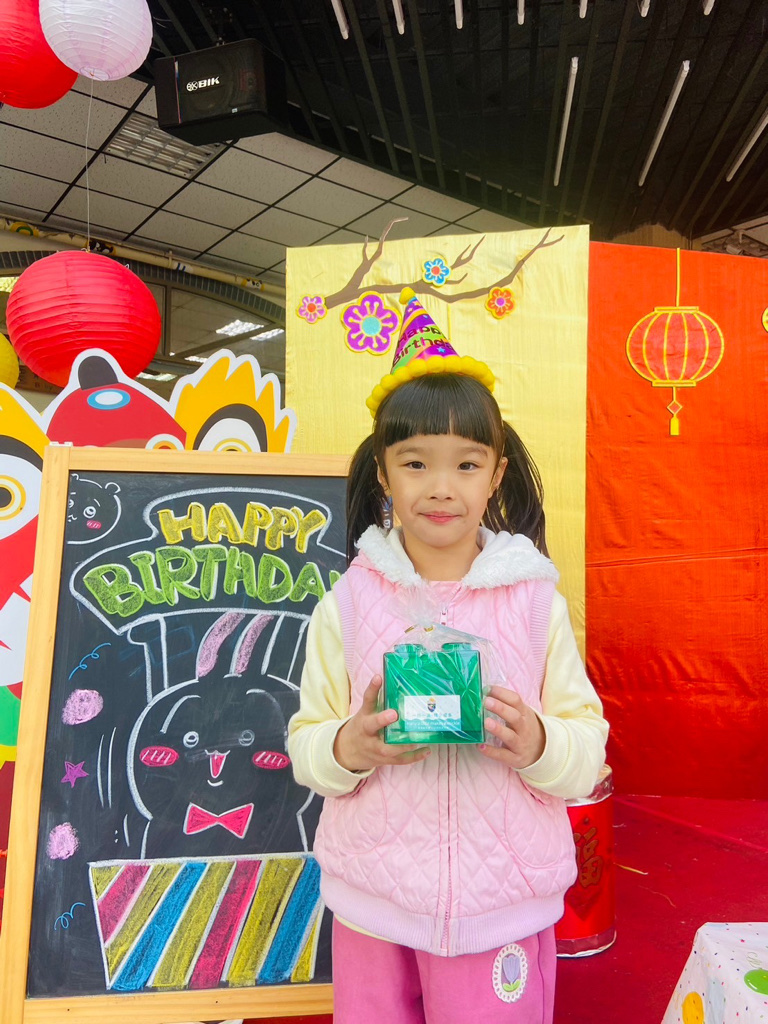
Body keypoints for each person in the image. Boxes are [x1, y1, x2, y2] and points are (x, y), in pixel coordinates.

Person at [288, 290, 608, 1023]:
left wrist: (538, 744)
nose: (440, 488)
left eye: (466, 464)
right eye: (414, 463)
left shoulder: (533, 602)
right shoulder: (348, 604)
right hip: (373, 904)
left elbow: (586, 747)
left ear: (496, 475)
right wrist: (349, 746)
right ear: (383, 475)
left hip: (502, 904)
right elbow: (307, 746)